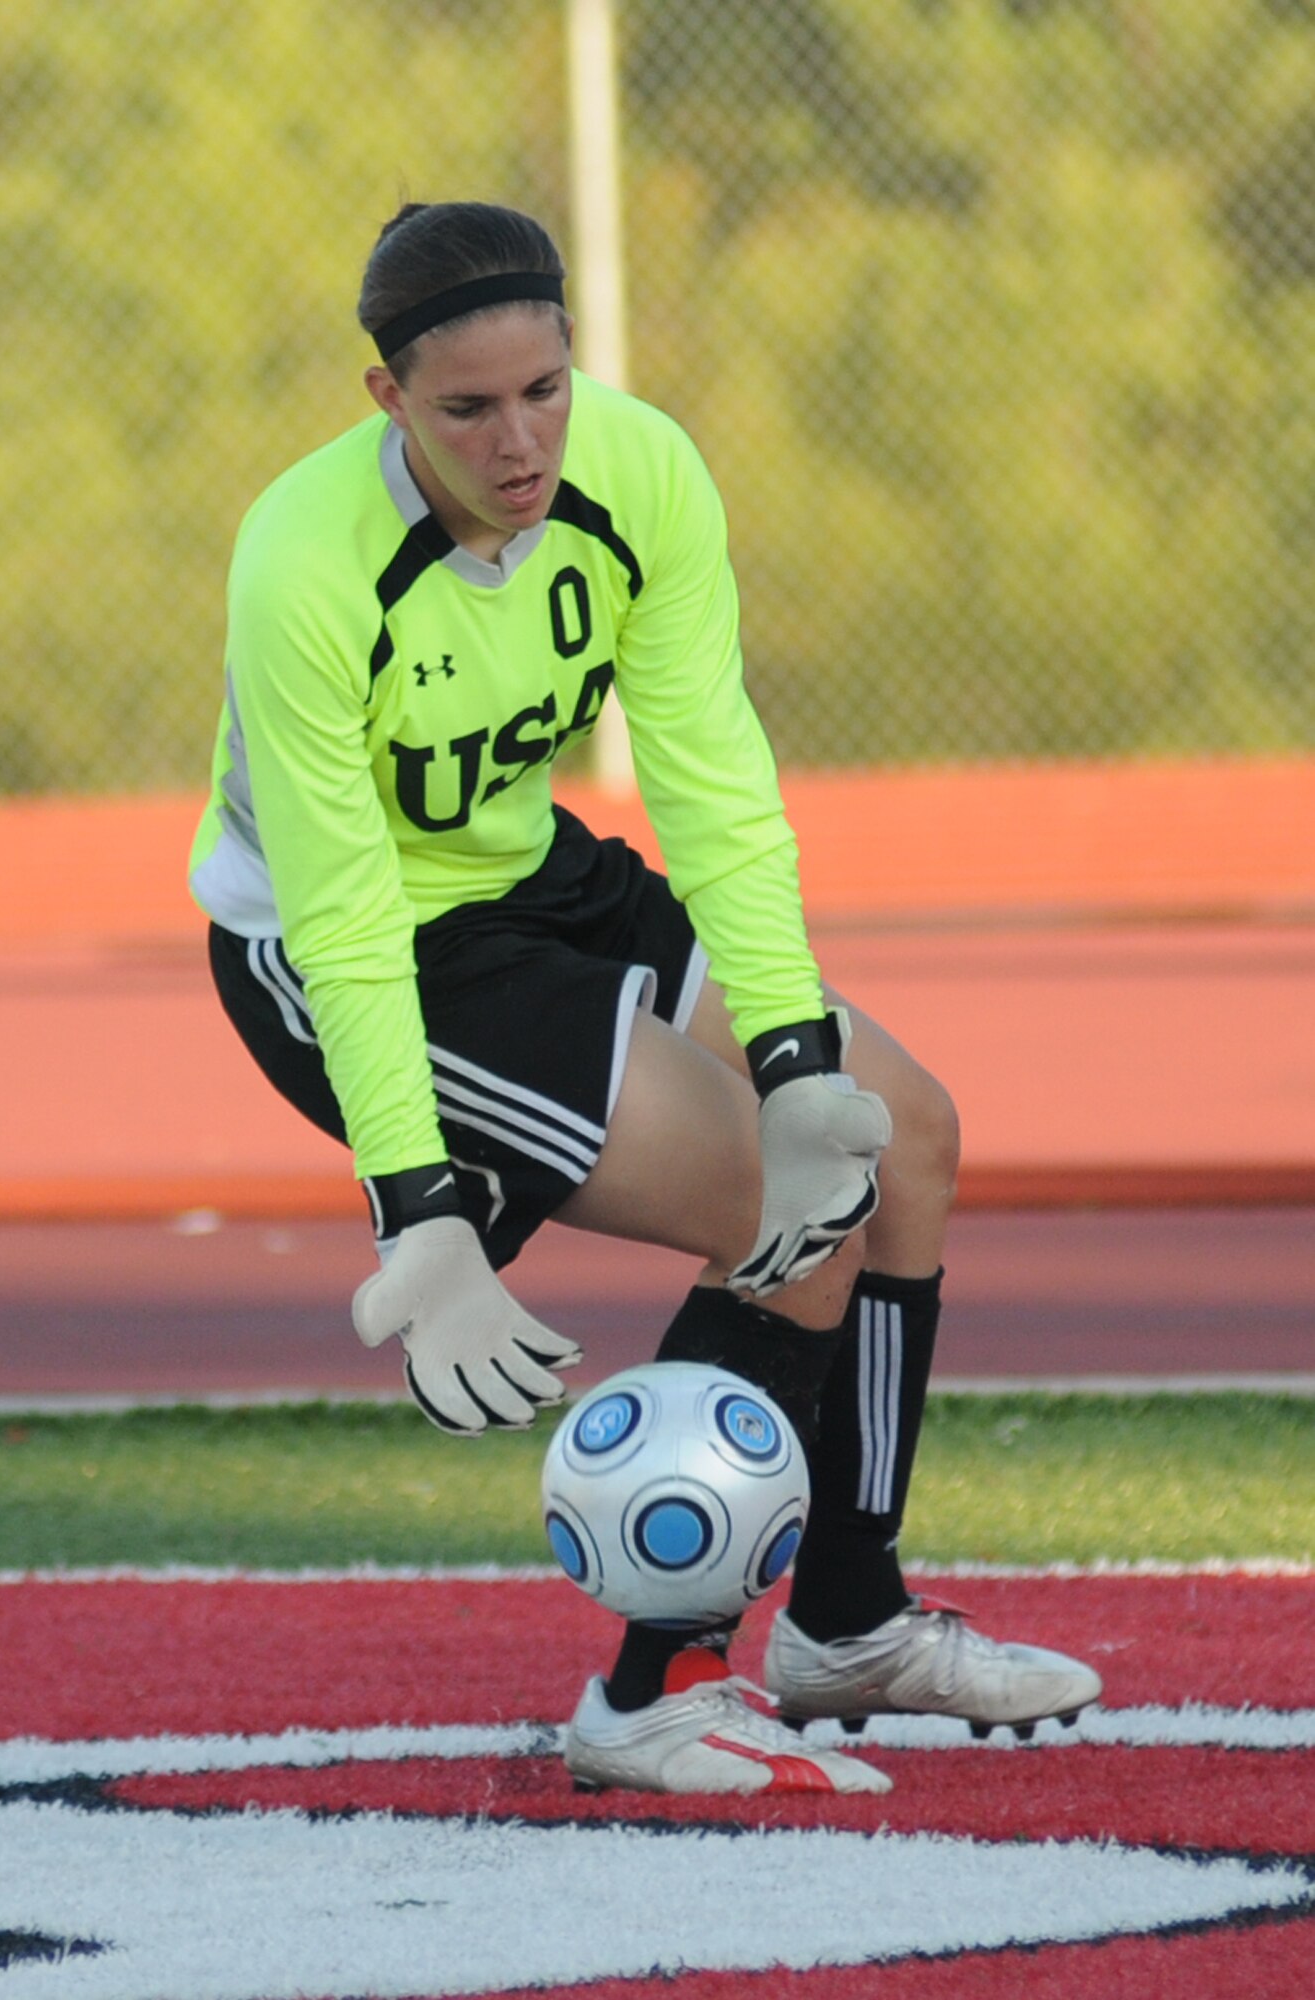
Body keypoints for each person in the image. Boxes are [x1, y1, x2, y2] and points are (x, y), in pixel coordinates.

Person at [189, 199, 1101, 1797]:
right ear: (383, 401)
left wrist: (794, 1047)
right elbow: (340, 912)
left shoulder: (641, 470)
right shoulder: (301, 562)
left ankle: (847, 1619)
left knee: (907, 1140)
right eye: (466, 408)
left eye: (543, 388)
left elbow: (711, 773)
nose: (519, 439)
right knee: (783, 1200)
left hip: (532, 872)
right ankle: (646, 1694)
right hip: (363, 951)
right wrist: (418, 1212)